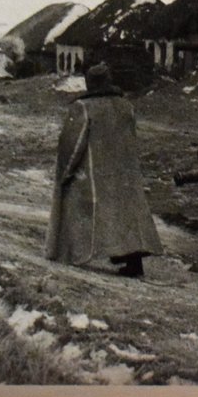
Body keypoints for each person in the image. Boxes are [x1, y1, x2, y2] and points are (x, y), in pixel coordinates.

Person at [45, 63, 162, 276]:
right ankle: (134, 263)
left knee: (79, 202)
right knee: (126, 213)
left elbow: (72, 145)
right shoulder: (126, 106)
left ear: (89, 83)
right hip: (125, 173)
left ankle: (75, 254)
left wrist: (65, 174)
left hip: (95, 175)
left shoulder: (83, 108)